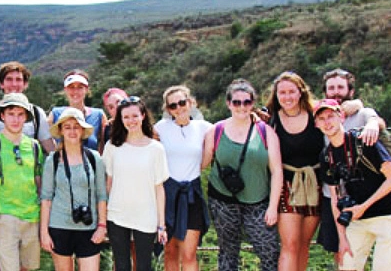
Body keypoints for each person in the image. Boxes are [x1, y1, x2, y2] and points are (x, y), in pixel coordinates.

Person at [201, 79, 283, 271]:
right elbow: (201, 164)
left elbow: (277, 171)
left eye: (247, 102)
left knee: (269, 251)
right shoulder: (216, 131)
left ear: (252, 103)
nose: (242, 107)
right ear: (229, 103)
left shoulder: (265, 132)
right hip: (222, 200)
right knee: (228, 252)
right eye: (236, 102)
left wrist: (272, 207)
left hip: (258, 202)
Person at [314, 99, 391, 271]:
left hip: (386, 213)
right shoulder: (326, 156)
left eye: (331, 116)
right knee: (347, 265)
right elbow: (334, 199)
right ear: (316, 124)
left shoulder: (363, 141)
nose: (327, 122)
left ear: (341, 117)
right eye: (321, 119)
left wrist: (363, 206)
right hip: (357, 219)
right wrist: (342, 239)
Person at [318, 68, 388, 255]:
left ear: (351, 91)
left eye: (340, 87)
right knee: (340, 252)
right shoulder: (321, 117)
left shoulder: (362, 113)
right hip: (332, 195)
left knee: (363, 249)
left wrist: (373, 124)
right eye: (331, 88)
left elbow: (377, 121)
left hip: (363, 195)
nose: (336, 92)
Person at [264, 72, 326, 271]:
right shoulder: (271, 121)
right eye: (282, 92)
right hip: (286, 187)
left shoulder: (317, 115)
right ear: (276, 95)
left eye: (291, 91)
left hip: (314, 185)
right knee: (290, 244)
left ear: (301, 92)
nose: (287, 97)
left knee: (303, 244)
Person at [0, 93, 45, 271]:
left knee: (28, 267)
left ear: (26, 117)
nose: (15, 119)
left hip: (32, 217)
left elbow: (39, 186)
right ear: (2, 116)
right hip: (4, 217)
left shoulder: (34, 146)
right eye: (11, 114)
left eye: (20, 114)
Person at [103, 96, 169, 271]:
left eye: (134, 116)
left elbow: (159, 188)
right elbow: (108, 183)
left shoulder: (156, 149)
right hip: (117, 214)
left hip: (146, 215)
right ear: (120, 119)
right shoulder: (112, 146)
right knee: (121, 264)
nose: (131, 121)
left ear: (143, 116)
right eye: (126, 117)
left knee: (144, 265)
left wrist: (161, 225)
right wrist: (103, 215)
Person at [40, 108, 108, 271]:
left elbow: (101, 195)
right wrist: (44, 232)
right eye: (67, 127)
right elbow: (46, 198)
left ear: (83, 130)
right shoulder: (53, 160)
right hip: (59, 226)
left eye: (76, 127)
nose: (72, 131)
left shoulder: (94, 158)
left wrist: (102, 226)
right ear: (61, 131)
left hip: (89, 227)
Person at [154, 86, 212, 271]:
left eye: (182, 102)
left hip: (191, 194)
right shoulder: (160, 128)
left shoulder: (205, 128)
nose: (178, 108)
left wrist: (255, 117)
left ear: (191, 102)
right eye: (173, 106)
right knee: (170, 251)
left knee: (189, 254)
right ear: (168, 109)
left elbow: (231, 127)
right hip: (168, 195)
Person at [0, 61, 55, 152]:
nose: (14, 84)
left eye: (18, 80)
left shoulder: (37, 113)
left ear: (25, 84)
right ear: (1, 84)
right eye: (9, 79)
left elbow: (49, 147)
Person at [49, 70, 106, 150]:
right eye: (71, 87)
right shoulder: (55, 114)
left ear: (86, 89)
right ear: (65, 90)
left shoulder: (98, 115)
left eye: (80, 87)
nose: (75, 91)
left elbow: (104, 145)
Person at [98, 88, 128, 154]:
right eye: (111, 107)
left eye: (119, 102)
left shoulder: (140, 124)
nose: (116, 108)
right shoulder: (108, 129)